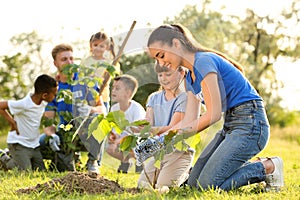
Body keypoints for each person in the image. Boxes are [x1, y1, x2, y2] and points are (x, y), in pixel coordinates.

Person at [143, 24, 284, 192]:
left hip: (251, 124)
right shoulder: (189, 80)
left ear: (176, 44)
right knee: (194, 183)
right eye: (156, 60)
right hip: (231, 125)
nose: (161, 62)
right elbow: (189, 121)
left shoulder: (203, 61)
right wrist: (162, 139)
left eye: (161, 55)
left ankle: (268, 167)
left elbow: (214, 114)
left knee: (206, 185)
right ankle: (235, 168)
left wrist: (173, 135)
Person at [40, 44, 106, 174]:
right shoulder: (54, 88)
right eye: (64, 59)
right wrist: (52, 135)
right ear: (55, 63)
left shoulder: (85, 82)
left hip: (86, 133)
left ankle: (92, 162)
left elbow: (102, 110)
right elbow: (48, 121)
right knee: (42, 141)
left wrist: (89, 110)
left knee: (99, 119)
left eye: (71, 58)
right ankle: (67, 159)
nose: (69, 62)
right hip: (66, 135)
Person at [137, 64, 194, 190]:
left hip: (179, 151)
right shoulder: (153, 97)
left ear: (181, 73)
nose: (163, 78)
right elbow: (148, 121)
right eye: (160, 75)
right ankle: (176, 173)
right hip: (159, 152)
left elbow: (173, 128)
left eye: (168, 74)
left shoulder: (184, 98)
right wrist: (140, 126)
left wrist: (152, 130)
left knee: (164, 187)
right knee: (143, 185)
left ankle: (188, 173)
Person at [0, 74, 57, 171]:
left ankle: (15, 156)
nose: (55, 96)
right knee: (25, 172)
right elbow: (1, 106)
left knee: (41, 171)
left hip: (34, 145)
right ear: (44, 95)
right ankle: (3, 158)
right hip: (19, 143)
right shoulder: (24, 104)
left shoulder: (43, 103)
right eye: (54, 94)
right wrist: (12, 122)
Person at [106, 74, 146, 173]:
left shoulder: (136, 109)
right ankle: (125, 162)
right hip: (123, 139)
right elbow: (113, 128)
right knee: (109, 148)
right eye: (113, 87)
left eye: (117, 88)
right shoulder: (114, 109)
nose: (113, 90)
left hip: (138, 139)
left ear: (128, 93)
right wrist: (112, 136)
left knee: (134, 145)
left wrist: (120, 140)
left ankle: (139, 162)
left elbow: (138, 131)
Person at [81, 31, 121, 112]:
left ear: (107, 47)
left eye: (101, 46)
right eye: (95, 45)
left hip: (103, 97)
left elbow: (115, 74)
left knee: (102, 120)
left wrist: (112, 67)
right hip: (87, 97)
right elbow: (81, 77)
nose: (98, 48)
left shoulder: (108, 63)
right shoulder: (86, 61)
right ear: (91, 45)